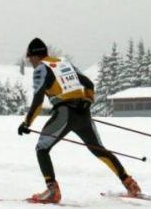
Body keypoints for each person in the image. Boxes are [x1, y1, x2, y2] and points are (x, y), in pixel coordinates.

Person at [18, 37, 140, 203]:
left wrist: (26, 123)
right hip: (83, 113)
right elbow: (88, 83)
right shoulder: (63, 63)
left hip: (64, 114)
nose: (30, 62)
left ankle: (52, 191)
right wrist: (88, 101)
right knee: (99, 149)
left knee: (42, 148)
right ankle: (130, 184)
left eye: (30, 58)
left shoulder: (40, 68)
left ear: (35, 56)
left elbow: (38, 100)